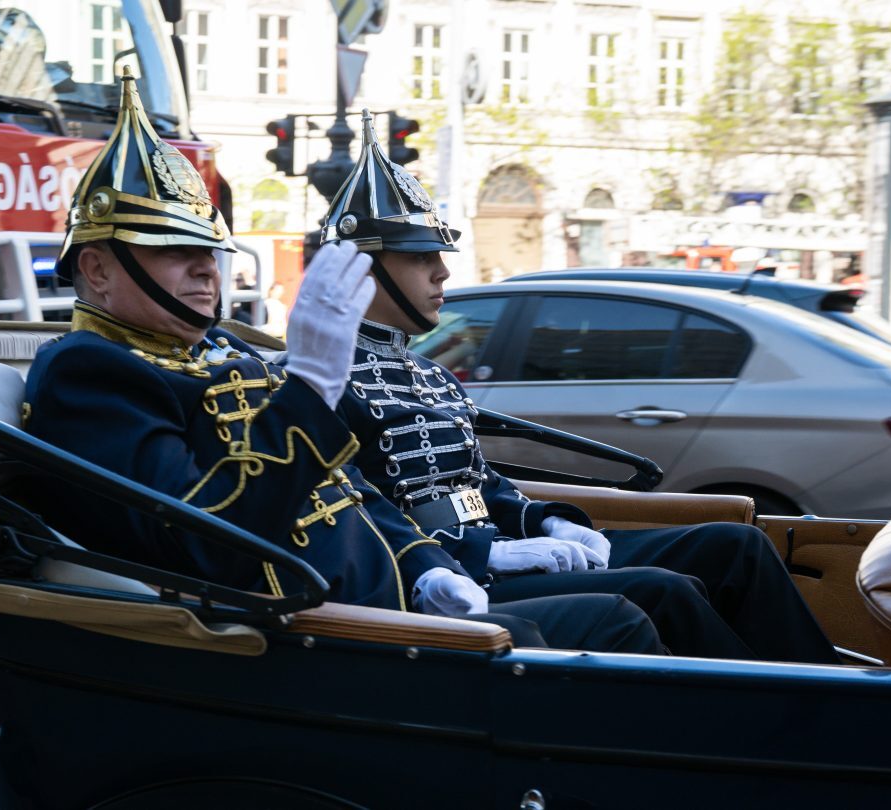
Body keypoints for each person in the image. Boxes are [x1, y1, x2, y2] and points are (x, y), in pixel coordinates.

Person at [21, 69, 662, 654]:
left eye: (209, 250)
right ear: (97, 269)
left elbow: (344, 488)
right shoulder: (90, 371)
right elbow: (210, 539)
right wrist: (308, 387)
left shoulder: (224, 351)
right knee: (620, 620)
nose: (205, 269)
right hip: (313, 636)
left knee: (658, 597)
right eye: (172, 250)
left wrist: (425, 566)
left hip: (387, 602)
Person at [318, 110, 839, 664]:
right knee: (665, 592)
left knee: (736, 546)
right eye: (419, 258)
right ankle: (788, 708)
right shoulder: (320, 383)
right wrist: (481, 553)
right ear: (359, 268)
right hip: (452, 580)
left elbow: (478, 483)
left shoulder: (431, 372)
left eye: (438, 256)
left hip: (502, 548)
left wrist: (547, 519)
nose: (442, 272)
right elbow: (352, 508)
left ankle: (832, 686)